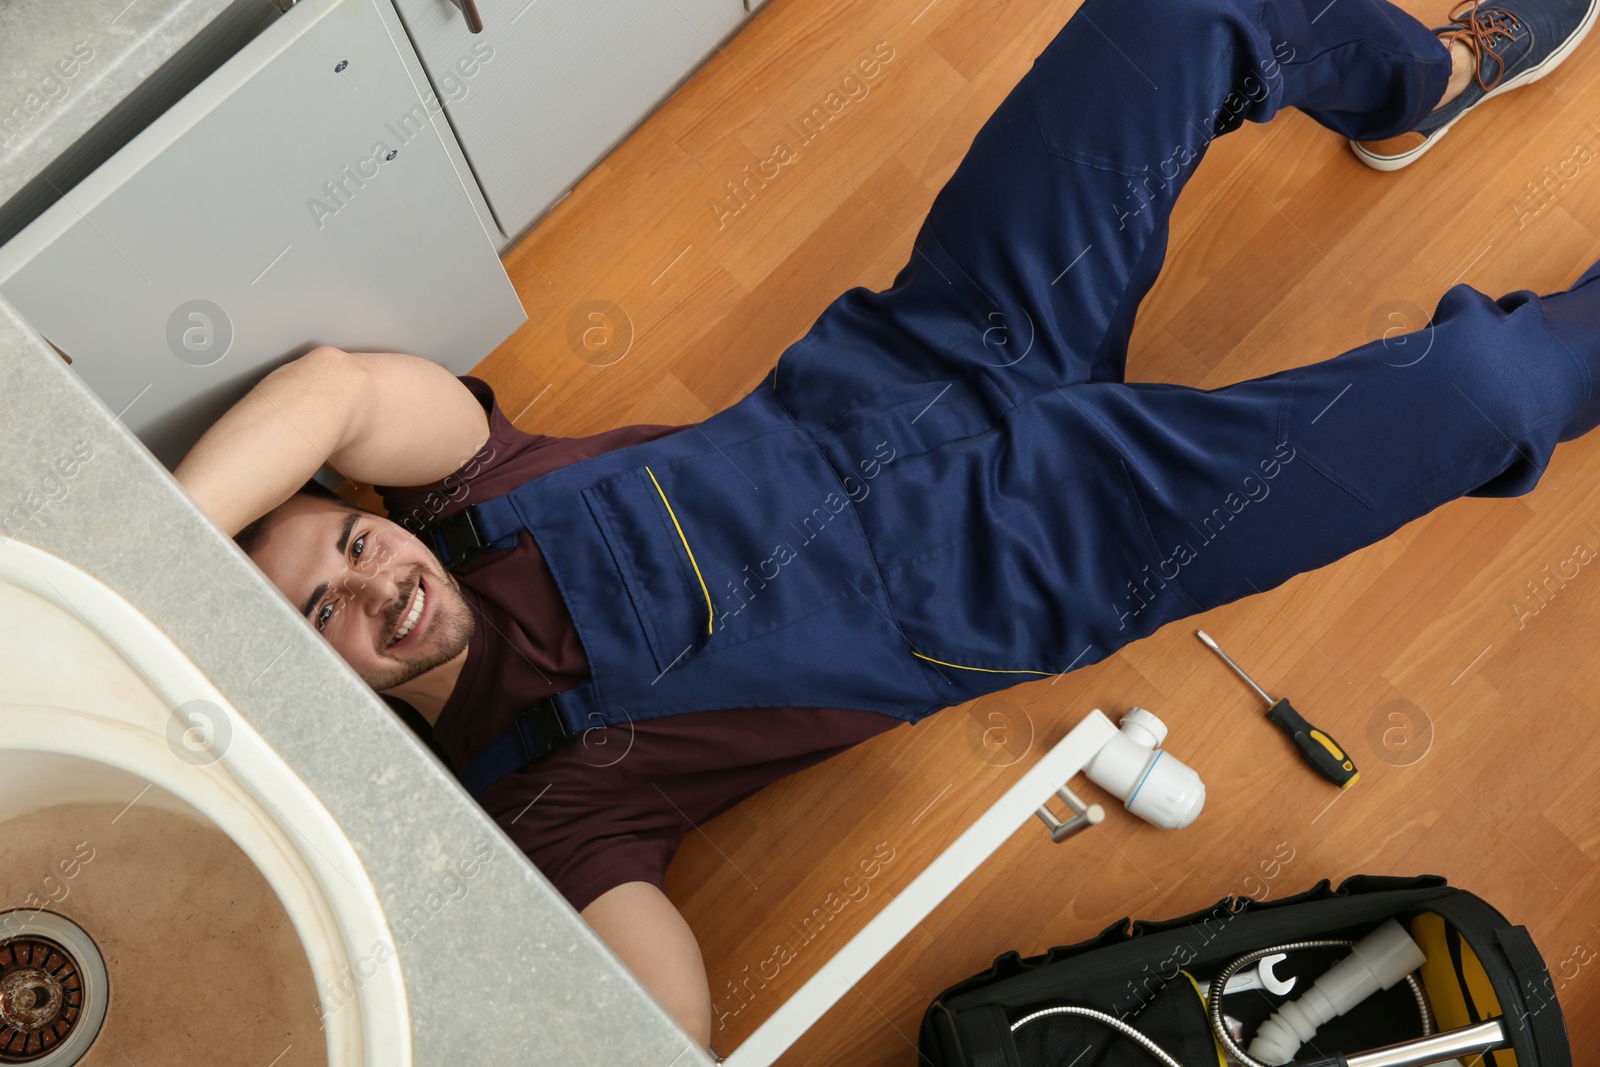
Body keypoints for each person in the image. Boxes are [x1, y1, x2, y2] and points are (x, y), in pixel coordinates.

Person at [173, 0, 1600, 1050]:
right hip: (1065, 546)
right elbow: (657, 1018)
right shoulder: (546, 808)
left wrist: (181, 598)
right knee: (1482, 385)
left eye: (349, 548)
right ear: (333, 699)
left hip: (953, 335)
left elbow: (334, 392)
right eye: (326, 620)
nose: (376, 584)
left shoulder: (463, 501)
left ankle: (1427, 80)